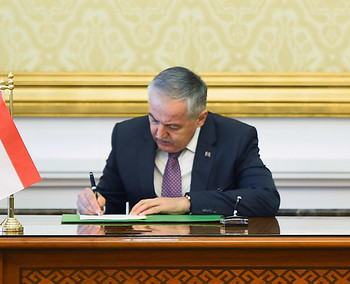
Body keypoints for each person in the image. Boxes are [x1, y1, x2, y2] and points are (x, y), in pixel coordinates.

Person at [77, 66, 280, 217]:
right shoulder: (128, 135)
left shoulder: (234, 138)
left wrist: (187, 202)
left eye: (173, 127)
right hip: (143, 252)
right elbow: (110, 197)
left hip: (210, 251)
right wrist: (94, 203)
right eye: (154, 120)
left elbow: (266, 198)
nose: (159, 133)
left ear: (200, 119)